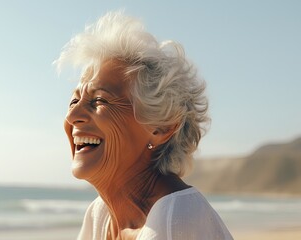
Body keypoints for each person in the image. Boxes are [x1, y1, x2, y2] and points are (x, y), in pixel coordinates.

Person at [55, 11, 233, 240]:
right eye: (74, 101)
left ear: (161, 127)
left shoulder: (177, 221)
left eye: (99, 100)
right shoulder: (99, 215)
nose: (73, 116)